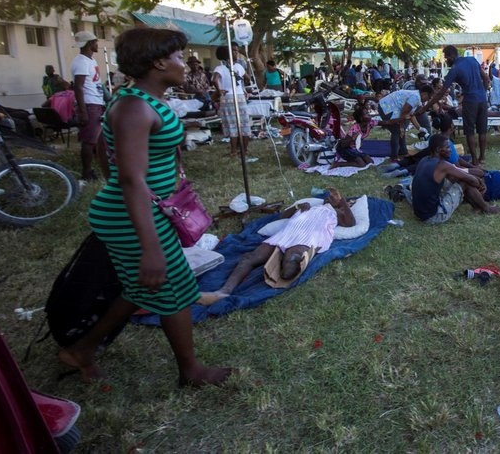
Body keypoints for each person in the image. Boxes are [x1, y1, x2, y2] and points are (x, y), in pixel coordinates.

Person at [59, 26, 232, 388]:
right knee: (173, 289)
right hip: (132, 215)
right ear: (157, 63)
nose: (184, 63)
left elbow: (111, 156)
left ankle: (81, 351)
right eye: (178, 57)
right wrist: (151, 246)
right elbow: (130, 180)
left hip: (143, 209)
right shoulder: (134, 107)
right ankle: (191, 371)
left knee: (146, 288)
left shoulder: (141, 100)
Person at [198, 190, 357, 304]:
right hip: (287, 233)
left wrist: (342, 203)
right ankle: (223, 292)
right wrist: (297, 207)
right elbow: (281, 216)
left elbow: (351, 223)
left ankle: (289, 265)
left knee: (292, 260)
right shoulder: (312, 206)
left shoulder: (336, 213)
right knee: (249, 258)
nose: (329, 198)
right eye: (329, 197)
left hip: (309, 236)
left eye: (333, 198)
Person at [410, 134, 500, 224]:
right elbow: (471, 180)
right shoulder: (443, 165)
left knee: (456, 177)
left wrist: (475, 180)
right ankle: (486, 208)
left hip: (419, 212)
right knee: (464, 181)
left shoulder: (424, 159)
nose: (451, 150)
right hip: (433, 216)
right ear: (438, 150)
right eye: (448, 147)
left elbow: (457, 176)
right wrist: (481, 184)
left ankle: (477, 206)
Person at [423, 45, 491, 165]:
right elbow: (486, 79)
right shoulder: (472, 60)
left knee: (469, 131)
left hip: (470, 101)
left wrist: (425, 107)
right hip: (482, 100)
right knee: (482, 131)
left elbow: (441, 92)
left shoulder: (455, 69)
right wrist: (482, 93)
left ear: (451, 56)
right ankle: (483, 157)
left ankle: (474, 160)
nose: (445, 60)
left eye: (446, 57)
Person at [70, 30, 107, 180]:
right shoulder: (81, 62)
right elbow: (78, 87)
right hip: (89, 104)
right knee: (89, 140)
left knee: (97, 139)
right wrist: (83, 111)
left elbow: (96, 83)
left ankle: (98, 167)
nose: (97, 44)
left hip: (96, 102)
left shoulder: (91, 60)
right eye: (95, 41)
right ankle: (86, 172)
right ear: (90, 43)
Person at [213, 44, 253, 159]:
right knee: (244, 124)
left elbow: (215, 79)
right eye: (234, 51)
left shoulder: (220, 68)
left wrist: (219, 90)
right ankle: (244, 150)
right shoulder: (239, 67)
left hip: (227, 98)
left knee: (232, 125)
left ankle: (234, 151)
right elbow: (248, 78)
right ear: (228, 55)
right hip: (240, 97)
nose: (236, 53)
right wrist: (249, 66)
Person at [377, 86, 433, 160]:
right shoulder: (416, 97)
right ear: (425, 94)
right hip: (386, 107)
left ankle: (403, 152)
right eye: (429, 97)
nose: (428, 100)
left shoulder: (417, 97)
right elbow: (404, 112)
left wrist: (419, 128)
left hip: (391, 107)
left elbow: (411, 115)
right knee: (397, 131)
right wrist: (401, 126)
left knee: (401, 130)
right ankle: (394, 157)